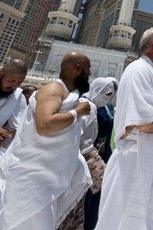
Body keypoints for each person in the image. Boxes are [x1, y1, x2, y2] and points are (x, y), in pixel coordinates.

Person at [95, 27, 153, 230]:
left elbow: (150, 113)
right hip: (135, 167)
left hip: (147, 167)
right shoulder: (138, 71)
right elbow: (142, 123)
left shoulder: (151, 75)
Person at [0, 52, 92, 230]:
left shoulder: (68, 94)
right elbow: (45, 126)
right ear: (78, 69)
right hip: (33, 178)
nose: (89, 74)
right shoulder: (53, 90)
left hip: (46, 180)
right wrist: (77, 112)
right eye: (87, 70)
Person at [59, 77, 118, 230]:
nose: (108, 98)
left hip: (92, 156)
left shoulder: (99, 107)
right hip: (82, 159)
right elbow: (81, 138)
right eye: (106, 93)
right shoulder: (87, 107)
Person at [0, 59, 28, 156]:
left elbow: (19, 127)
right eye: (11, 81)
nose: (14, 86)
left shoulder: (18, 96)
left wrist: (7, 135)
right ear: (1, 74)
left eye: (19, 82)